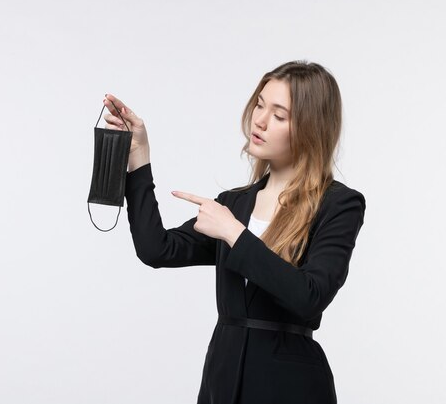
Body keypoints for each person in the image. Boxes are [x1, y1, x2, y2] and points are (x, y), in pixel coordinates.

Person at [101, 60, 366, 404]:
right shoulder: (234, 204)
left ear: (311, 128)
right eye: (259, 104)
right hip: (222, 384)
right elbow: (157, 249)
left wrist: (235, 235)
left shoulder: (339, 204)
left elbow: (310, 296)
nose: (259, 120)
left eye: (279, 115)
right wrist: (139, 158)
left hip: (291, 387)